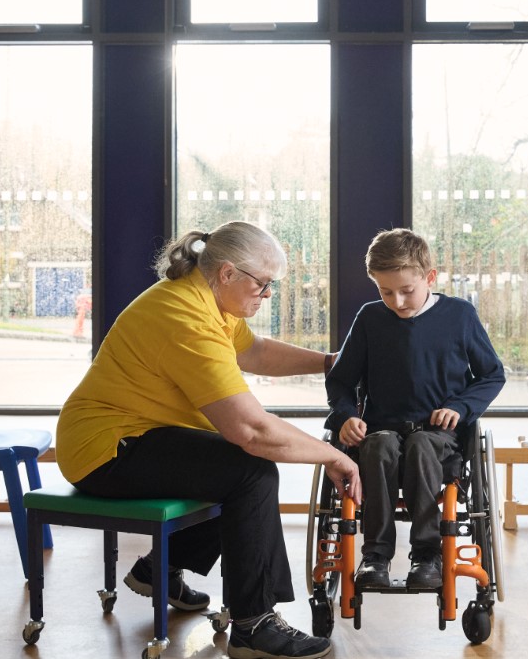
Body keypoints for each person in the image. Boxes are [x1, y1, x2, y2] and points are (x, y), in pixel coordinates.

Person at [55, 221, 361, 659]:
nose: (267, 294)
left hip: (135, 436)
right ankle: (253, 625)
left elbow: (253, 351)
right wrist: (332, 455)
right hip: (106, 450)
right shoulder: (185, 317)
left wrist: (331, 363)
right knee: (251, 471)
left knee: (230, 464)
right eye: (263, 283)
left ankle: (158, 570)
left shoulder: (210, 300)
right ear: (228, 273)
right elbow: (251, 430)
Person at [325, 228, 506, 589]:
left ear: (430, 277)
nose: (397, 301)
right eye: (385, 291)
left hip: (439, 435)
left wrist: (459, 406)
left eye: (407, 290)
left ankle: (427, 554)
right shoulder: (370, 319)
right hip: (382, 429)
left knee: (422, 444)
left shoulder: (459, 315)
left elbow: (492, 375)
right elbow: (341, 381)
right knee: (377, 446)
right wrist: (346, 416)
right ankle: (375, 556)